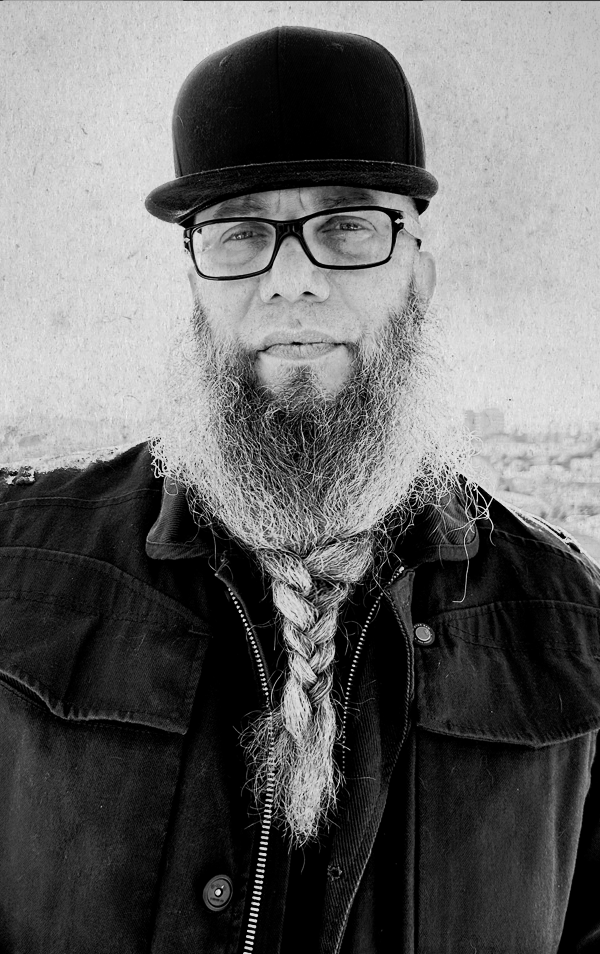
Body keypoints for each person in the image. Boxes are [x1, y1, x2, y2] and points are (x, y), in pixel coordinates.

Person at [0, 24, 599, 954]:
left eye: (347, 226)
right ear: (195, 288)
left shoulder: (571, 630)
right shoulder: (18, 571)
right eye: (241, 233)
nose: (292, 280)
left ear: (419, 279)